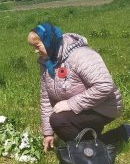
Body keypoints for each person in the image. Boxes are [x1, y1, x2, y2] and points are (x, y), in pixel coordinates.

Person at [28, 23, 129, 151]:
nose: (36, 51)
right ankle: (103, 139)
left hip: (104, 106)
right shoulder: (47, 62)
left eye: (37, 46)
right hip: (83, 108)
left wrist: (70, 104)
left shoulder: (80, 55)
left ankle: (97, 148)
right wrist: (47, 133)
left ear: (49, 41)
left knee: (58, 120)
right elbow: (46, 98)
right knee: (60, 120)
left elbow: (104, 86)